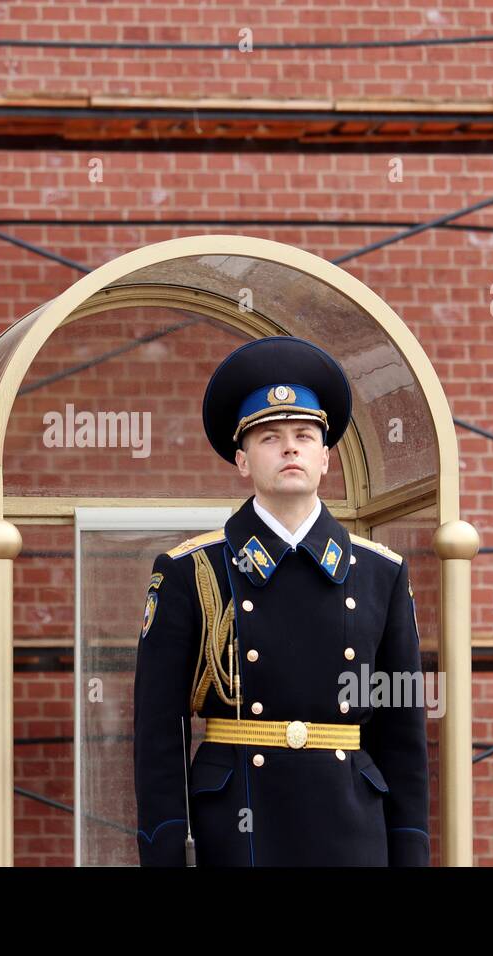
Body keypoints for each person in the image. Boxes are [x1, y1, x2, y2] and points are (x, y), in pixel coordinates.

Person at [133, 335, 430, 866]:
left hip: (351, 830)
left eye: (304, 436)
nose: (290, 448)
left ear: (326, 457)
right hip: (237, 831)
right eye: (270, 438)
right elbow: (159, 734)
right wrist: (166, 852)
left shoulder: (380, 574)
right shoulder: (191, 572)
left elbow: (402, 734)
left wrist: (410, 851)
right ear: (242, 461)